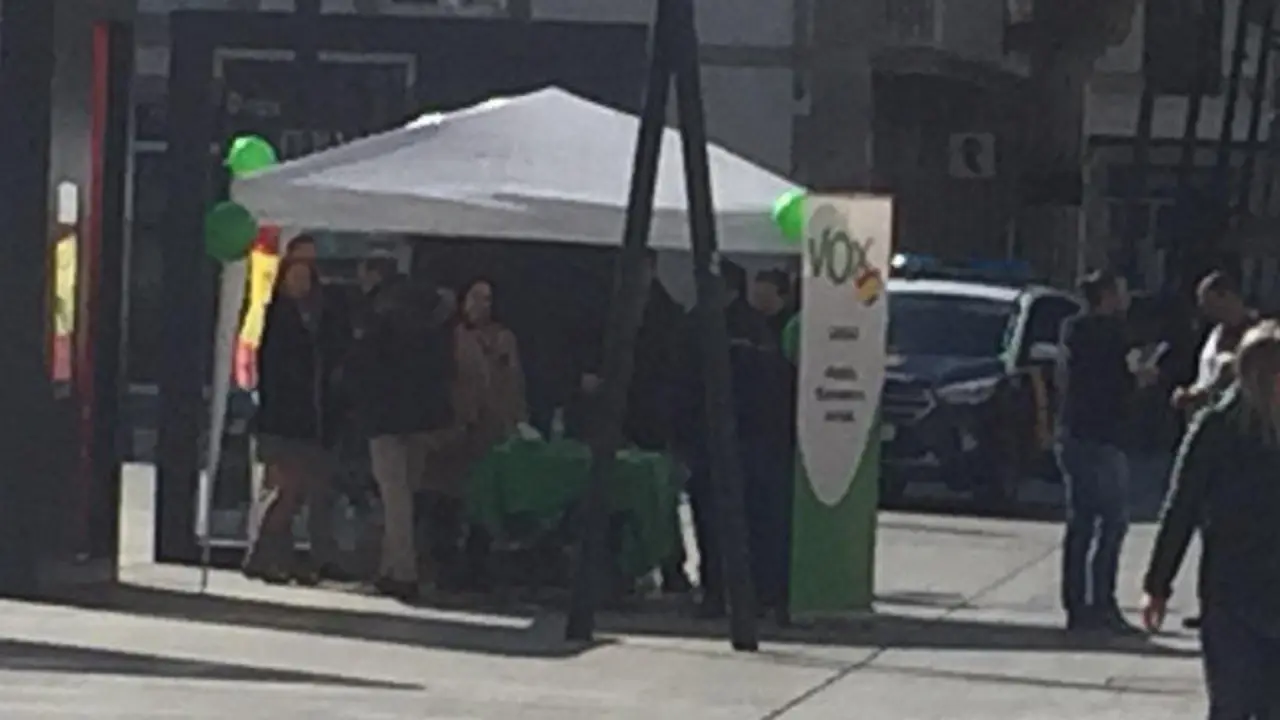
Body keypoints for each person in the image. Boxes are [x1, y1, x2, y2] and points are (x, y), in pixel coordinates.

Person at [1141, 321, 1280, 719]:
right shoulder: (1216, 428)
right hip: (1232, 593)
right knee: (1232, 705)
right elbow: (1181, 507)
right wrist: (1158, 584)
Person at [348, 276, 458, 601]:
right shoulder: (436, 330)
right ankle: (390, 568)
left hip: (384, 421)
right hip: (423, 422)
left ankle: (403, 571)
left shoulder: (379, 326)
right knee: (405, 494)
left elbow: (362, 371)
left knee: (393, 496)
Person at [1055, 269, 1153, 633]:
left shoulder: (1072, 330)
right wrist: (1139, 378)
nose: (1125, 299)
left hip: (1073, 433)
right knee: (1112, 522)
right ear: (1107, 295)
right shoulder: (1109, 334)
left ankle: (1078, 605)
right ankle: (1101, 604)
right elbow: (1112, 382)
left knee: (1081, 522)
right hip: (1101, 437)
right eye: (1121, 292)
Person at [243, 257, 347, 585]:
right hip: (282, 421)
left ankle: (280, 558)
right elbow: (274, 372)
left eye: (305, 277)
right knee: (283, 492)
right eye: (294, 277)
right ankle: (261, 555)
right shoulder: (277, 318)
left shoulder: (322, 319)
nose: (300, 284)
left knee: (300, 492)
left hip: (312, 420)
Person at [424, 278, 527, 590]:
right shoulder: (451, 338)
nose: (482, 305)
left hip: (492, 433)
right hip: (456, 433)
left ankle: (477, 565)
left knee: (484, 505)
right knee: (446, 500)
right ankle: (443, 563)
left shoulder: (505, 339)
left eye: (488, 299)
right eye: (475, 297)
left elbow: (515, 384)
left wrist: (517, 422)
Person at [1170, 270, 1258, 631]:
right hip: (1200, 433)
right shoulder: (1215, 334)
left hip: (1237, 443)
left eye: (1210, 300)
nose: (1204, 309)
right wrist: (1190, 392)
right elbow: (1209, 378)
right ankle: (1211, 602)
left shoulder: (1255, 337)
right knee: (1205, 524)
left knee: (1233, 527)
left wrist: (1198, 396)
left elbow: (1232, 384)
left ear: (1229, 296)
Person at [741, 269, 799, 622]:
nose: (758, 300)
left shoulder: (787, 329)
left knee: (771, 520)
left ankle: (773, 591)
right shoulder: (750, 326)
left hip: (775, 436)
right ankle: (758, 590)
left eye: (764, 293)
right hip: (754, 433)